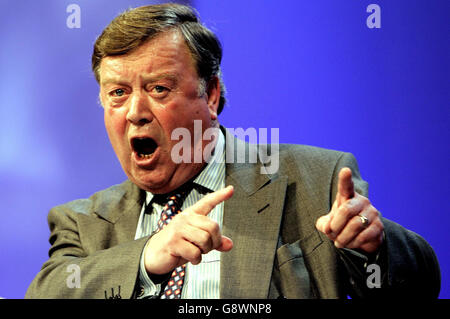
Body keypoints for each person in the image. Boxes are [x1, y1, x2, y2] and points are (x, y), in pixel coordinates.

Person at [25, 3, 440, 299]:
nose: (135, 112)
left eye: (158, 89)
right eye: (117, 93)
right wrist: (148, 256)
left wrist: (372, 247)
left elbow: (420, 285)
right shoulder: (83, 221)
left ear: (211, 94)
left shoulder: (315, 179)